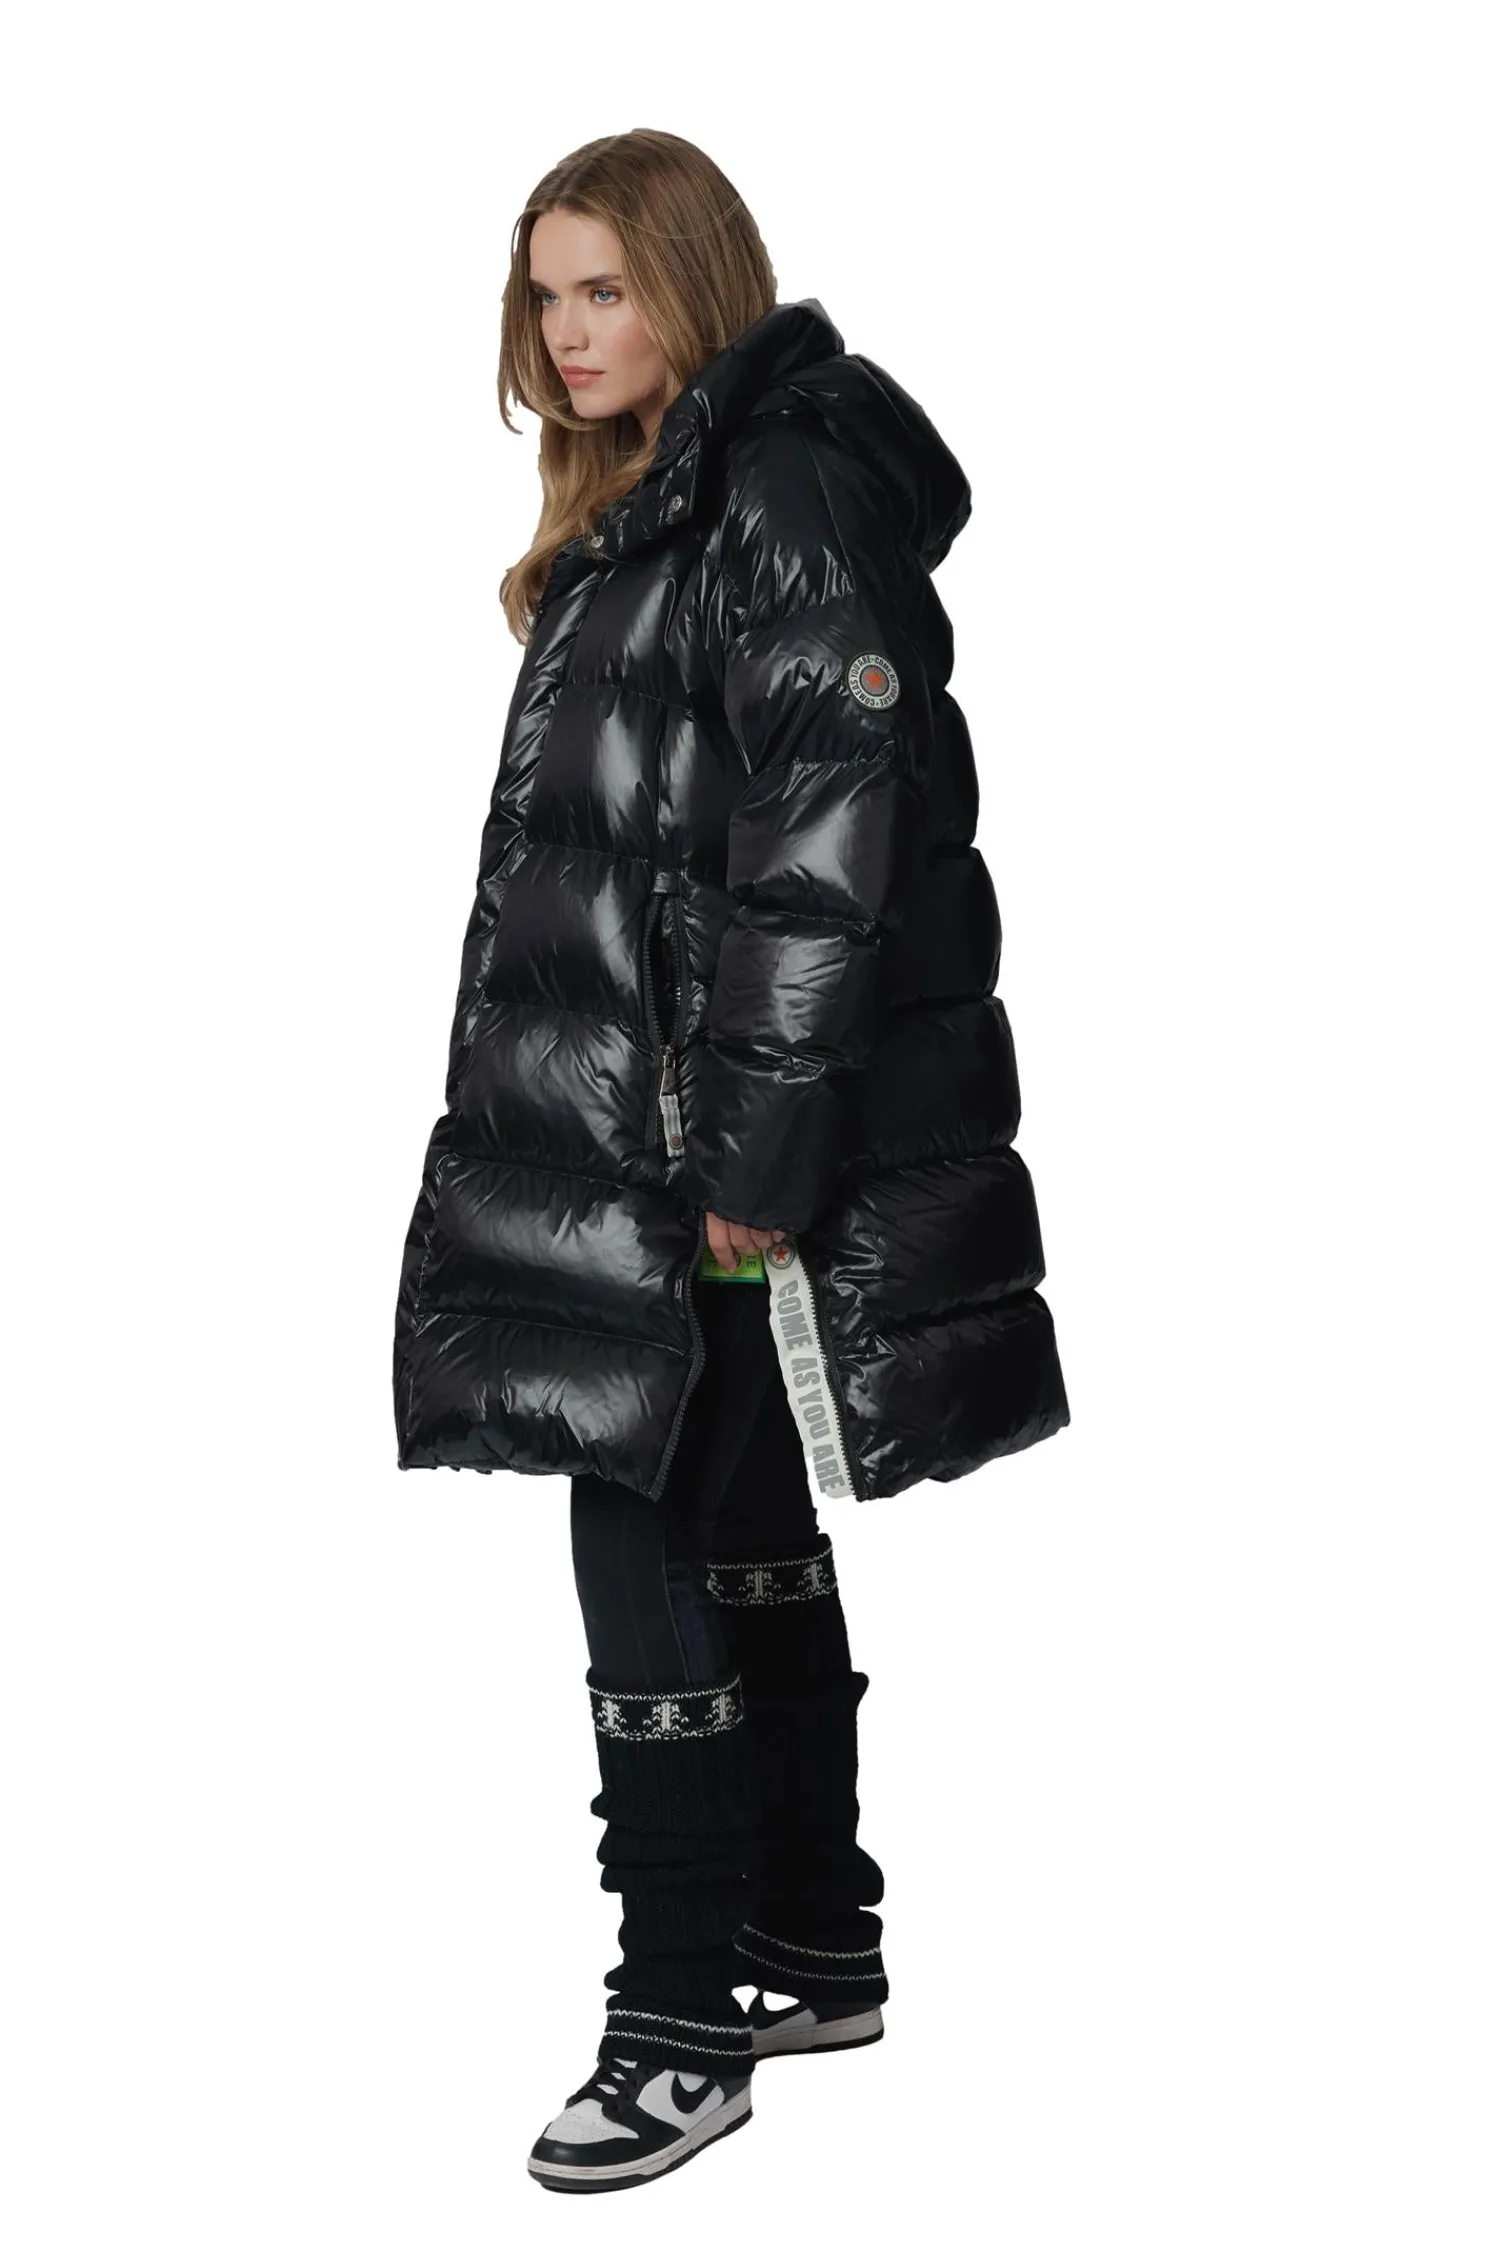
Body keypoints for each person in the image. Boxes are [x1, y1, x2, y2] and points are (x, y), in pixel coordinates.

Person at [392, 128, 1071, 2193]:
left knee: (639, 1517)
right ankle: (816, 1933)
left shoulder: (772, 493)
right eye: (544, 295)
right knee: (737, 1502)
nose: (565, 332)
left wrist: (757, 1151)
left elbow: (828, 850)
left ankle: (679, 2018)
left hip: (706, 1136)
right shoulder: (669, 500)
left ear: (692, 278)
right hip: (653, 1122)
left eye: (603, 288)